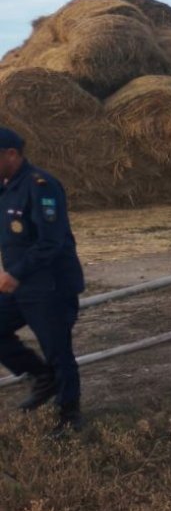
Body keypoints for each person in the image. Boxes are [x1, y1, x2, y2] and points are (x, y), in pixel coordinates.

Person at [0, 127, 86, 434]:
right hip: (22, 284)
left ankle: (69, 415)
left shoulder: (40, 185)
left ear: (11, 154)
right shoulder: (7, 188)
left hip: (51, 284)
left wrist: (15, 273)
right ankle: (41, 377)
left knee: (57, 349)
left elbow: (51, 241)